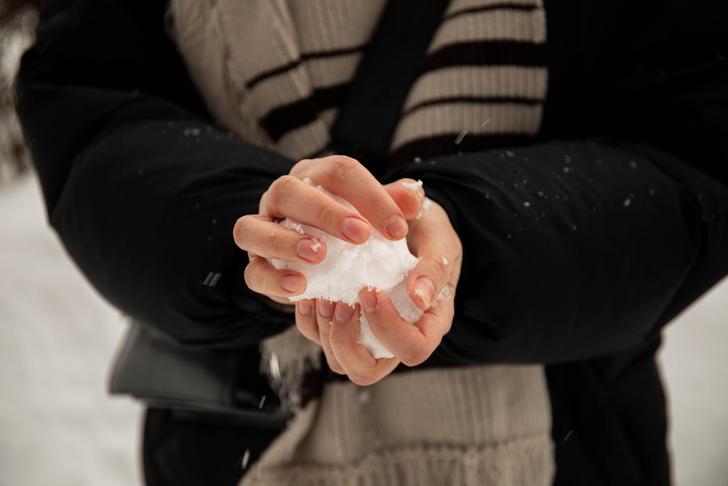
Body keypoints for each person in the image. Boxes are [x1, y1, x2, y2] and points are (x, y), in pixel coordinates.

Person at [14, 0, 728, 485]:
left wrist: (475, 240)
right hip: (238, 452)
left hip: (572, 444)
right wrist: (253, 231)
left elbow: (691, 148)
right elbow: (92, 115)